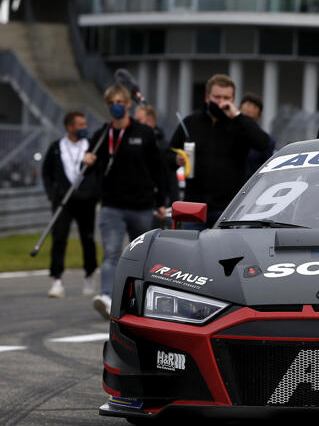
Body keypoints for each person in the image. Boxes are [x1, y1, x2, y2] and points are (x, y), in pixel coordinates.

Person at [90, 85, 168, 319]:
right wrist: (89, 160)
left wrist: (161, 200)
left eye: (120, 101)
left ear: (128, 105)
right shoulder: (102, 135)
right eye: (111, 101)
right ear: (107, 105)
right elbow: (89, 170)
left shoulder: (143, 133)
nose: (116, 105)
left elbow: (158, 169)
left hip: (141, 205)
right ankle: (105, 296)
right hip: (111, 206)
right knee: (112, 252)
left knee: (144, 255)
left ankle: (147, 299)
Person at [170, 74, 272, 228]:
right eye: (217, 97)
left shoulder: (240, 124)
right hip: (195, 206)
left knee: (227, 251)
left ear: (233, 99)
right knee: (189, 249)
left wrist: (238, 116)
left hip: (229, 208)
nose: (221, 102)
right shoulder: (191, 122)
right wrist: (176, 159)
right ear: (207, 97)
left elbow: (264, 143)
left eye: (226, 97)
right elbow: (167, 154)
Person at [40, 111, 99, 298]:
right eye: (80, 125)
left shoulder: (92, 146)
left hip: (86, 201)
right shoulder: (56, 147)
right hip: (63, 201)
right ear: (70, 126)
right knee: (59, 238)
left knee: (87, 239)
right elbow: (46, 172)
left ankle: (89, 275)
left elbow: (99, 172)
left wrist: (94, 193)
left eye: (84, 124)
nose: (84, 128)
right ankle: (57, 279)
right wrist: (51, 193)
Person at [239, 93, 275, 177]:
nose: (250, 108)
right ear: (239, 108)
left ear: (260, 115)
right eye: (248, 104)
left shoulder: (267, 141)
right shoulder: (227, 133)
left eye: (254, 106)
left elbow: (267, 171)